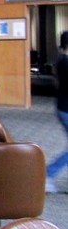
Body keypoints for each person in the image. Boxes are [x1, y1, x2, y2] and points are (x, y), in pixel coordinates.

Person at [46, 31, 68, 193]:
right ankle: (48, 173)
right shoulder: (65, 63)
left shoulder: (60, 61)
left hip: (62, 106)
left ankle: (49, 173)